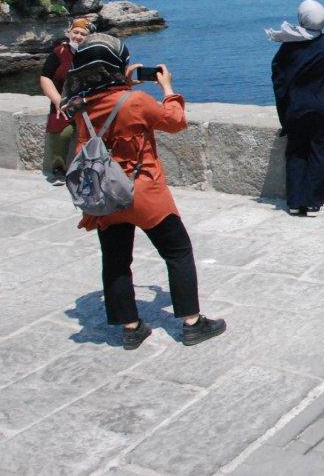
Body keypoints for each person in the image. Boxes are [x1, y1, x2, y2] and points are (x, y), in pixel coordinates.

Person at [65, 33, 226, 349]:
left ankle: (131, 328)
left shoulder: (81, 106)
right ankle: (192, 323)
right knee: (177, 251)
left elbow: (104, 117)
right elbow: (175, 121)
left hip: (106, 194)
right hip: (143, 192)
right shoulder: (135, 101)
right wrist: (167, 89)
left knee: (116, 261)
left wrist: (121, 84)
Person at [267, 0, 324, 216]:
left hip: (296, 109)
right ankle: (314, 202)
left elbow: (278, 78)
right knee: (320, 152)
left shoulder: (288, 48)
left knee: (296, 151)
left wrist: (285, 106)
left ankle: (295, 202)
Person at [39, 17, 91, 182]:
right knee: (61, 132)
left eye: (83, 34)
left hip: (86, 103)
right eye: (75, 32)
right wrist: (57, 100)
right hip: (62, 103)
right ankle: (58, 168)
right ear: (69, 33)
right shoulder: (59, 53)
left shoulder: (93, 53)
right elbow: (45, 77)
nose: (78, 36)